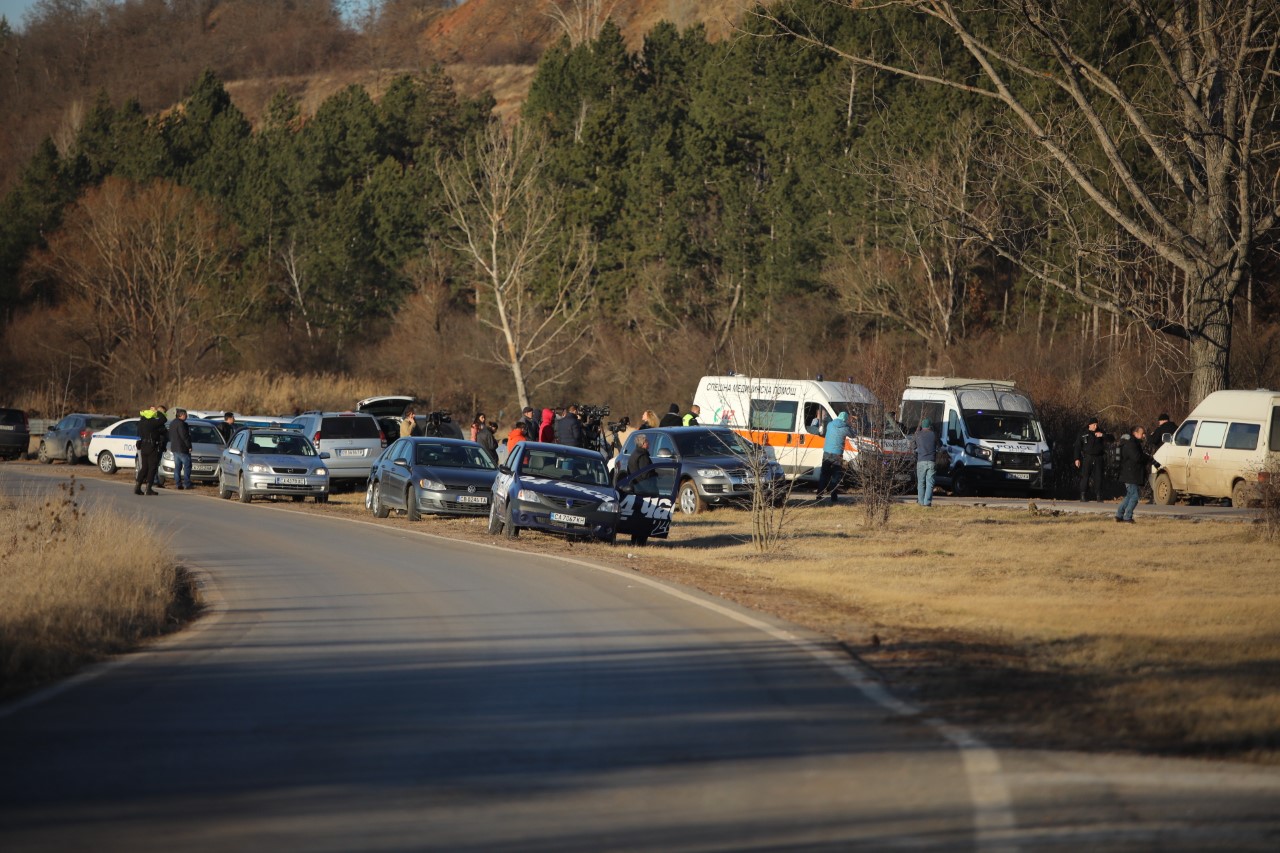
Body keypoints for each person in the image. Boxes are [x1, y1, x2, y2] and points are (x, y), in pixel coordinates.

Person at [1116, 426, 1153, 523]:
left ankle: (1119, 514)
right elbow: (1136, 457)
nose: (1143, 435)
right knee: (1135, 497)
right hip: (1130, 474)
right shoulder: (1131, 444)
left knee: (1129, 495)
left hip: (1130, 474)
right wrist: (1146, 458)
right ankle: (1127, 517)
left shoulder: (1134, 443)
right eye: (1142, 433)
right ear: (1135, 433)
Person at [816, 410, 853, 504]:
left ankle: (819, 494)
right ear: (845, 419)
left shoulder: (830, 424)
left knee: (824, 474)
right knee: (836, 475)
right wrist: (849, 425)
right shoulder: (845, 428)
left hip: (827, 452)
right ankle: (833, 496)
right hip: (837, 454)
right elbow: (853, 435)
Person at [134, 405, 166, 495]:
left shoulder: (142, 422)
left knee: (144, 467)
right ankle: (148, 489)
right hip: (151, 446)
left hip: (143, 446)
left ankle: (137, 486)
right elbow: (164, 419)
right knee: (152, 468)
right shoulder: (152, 422)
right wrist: (158, 412)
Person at [1073, 416, 1106, 501]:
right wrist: (1077, 458)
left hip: (1098, 457)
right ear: (1090, 425)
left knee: (1098, 477)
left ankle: (1099, 495)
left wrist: (1102, 435)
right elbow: (1077, 446)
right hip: (1087, 457)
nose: (1095, 426)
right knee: (1085, 477)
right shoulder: (1083, 433)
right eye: (1094, 425)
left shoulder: (1100, 432)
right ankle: (1083, 495)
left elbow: (1111, 438)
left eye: (1096, 425)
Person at [167, 408, 193, 490]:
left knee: (177, 467)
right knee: (187, 465)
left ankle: (178, 483)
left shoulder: (172, 423)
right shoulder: (182, 424)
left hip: (174, 448)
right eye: (185, 414)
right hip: (182, 448)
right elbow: (184, 436)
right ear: (181, 415)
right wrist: (189, 446)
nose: (187, 416)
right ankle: (187, 483)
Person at [915, 417, 937, 506]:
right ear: (929, 426)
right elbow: (940, 445)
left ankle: (920, 502)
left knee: (921, 482)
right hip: (931, 461)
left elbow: (913, 446)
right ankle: (927, 502)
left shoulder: (917, 434)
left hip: (921, 460)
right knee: (930, 483)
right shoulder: (934, 434)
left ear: (922, 426)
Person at [151, 405, 169, 487]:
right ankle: (154, 480)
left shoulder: (160, 422)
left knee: (157, 464)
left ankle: (156, 480)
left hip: (160, 446)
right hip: (156, 446)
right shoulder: (156, 421)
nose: (165, 414)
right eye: (164, 412)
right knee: (154, 464)